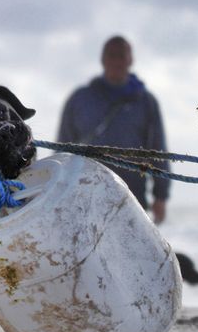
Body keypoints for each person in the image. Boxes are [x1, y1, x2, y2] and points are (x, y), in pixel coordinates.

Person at [58, 36, 169, 223]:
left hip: (133, 199)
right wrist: (58, 191)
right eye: (112, 55)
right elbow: (62, 150)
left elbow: (159, 151)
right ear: (103, 60)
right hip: (85, 198)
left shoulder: (146, 102)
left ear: (130, 60)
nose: (117, 61)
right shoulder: (80, 99)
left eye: (122, 56)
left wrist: (161, 196)